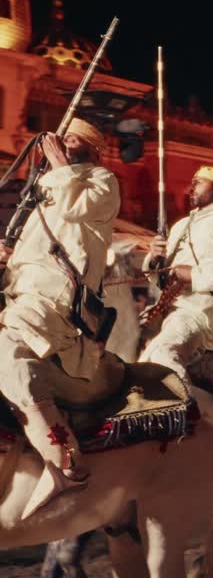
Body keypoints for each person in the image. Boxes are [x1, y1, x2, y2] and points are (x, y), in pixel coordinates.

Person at [0, 119, 120, 516]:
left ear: (95, 148)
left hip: (56, 299)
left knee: (7, 354)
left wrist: (59, 169)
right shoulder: (47, 187)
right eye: (62, 139)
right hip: (23, 290)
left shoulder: (101, 180)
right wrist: (9, 256)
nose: (64, 144)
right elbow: (37, 245)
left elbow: (77, 209)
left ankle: (65, 462)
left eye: (73, 140)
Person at [140, 166, 213, 381]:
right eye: (192, 181)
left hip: (199, 311)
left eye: (199, 182)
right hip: (166, 308)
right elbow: (162, 278)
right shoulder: (181, 225)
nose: (191, 186)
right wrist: (155, 259)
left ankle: (186, 408)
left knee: (162, 354)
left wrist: (195, 275)